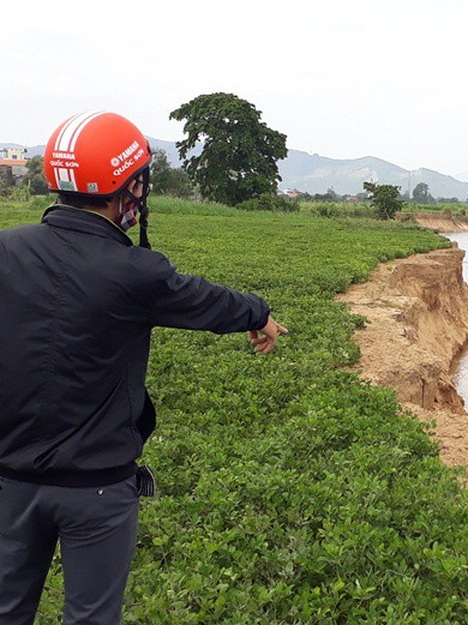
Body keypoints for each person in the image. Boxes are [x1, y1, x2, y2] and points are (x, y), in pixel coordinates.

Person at [0, 111, 288, 624]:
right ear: (128, 184)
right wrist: (259, 312)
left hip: (9, 481)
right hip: (99, 488)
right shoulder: (135, 271)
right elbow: (208, 301)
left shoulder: (7, 249)